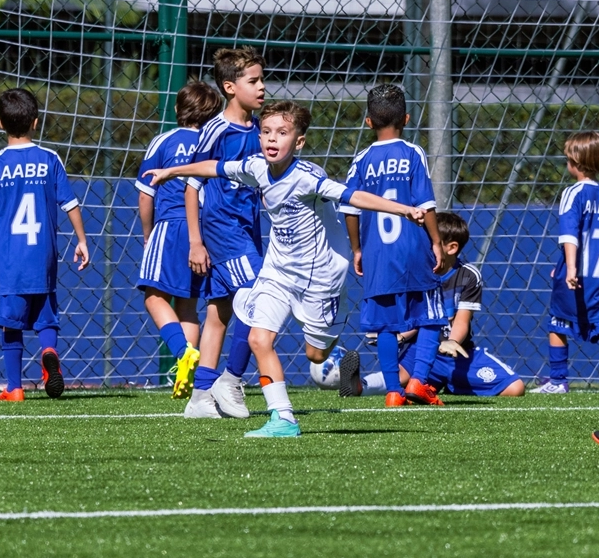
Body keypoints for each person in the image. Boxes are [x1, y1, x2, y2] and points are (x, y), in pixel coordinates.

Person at [145, 99, 427, 437]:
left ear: (300, 141)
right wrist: (171, 172)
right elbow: (214, 168)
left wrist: (405, 210)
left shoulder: (309, 178)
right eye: (265, 132)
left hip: (320, 278)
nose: (271, 139)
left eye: (281, 132)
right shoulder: (256, 167)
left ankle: (336, 357)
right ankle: (283, 418)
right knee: (258, 338)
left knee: (316, 355)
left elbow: (355, 197)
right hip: (278, 272)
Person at [0, 88, 90, 401]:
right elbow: (70, 203)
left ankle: (14, 387)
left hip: (10, 259)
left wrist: (2, 206)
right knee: (46, 314)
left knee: (11, 322)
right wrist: (81, 240)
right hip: (43, 255)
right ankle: (49, 350)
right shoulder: (49, 159)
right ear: (35, 122)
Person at [338, 84, 446, 408]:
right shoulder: (413, 153)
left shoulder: (360, 160)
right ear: (407, 119)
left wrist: (357, 249)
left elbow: (350, 209)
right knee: (430, 315)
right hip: (413, 248)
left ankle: (392, 392)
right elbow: (425, 203)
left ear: (368, 122)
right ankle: (418, 382)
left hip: (378, 253)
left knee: (385, 323)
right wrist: (437, 242)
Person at [340, 212, 525, 400]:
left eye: (427, 242)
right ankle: (360, 386)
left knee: (515, 388)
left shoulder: (468, 276)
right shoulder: (414, 273)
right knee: (400, 376)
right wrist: (400, 337)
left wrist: (452, 341)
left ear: (451, 248)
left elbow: (462, 320)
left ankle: (447, 384)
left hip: (457, 355)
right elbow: (417, 320)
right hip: (419, 350)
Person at [182, 47, 266, 419]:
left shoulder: (261, 127)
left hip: (249, 226)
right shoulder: (217, 129)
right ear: (230, 87)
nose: (262, 87)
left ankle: (199, 397)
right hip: (222, 226)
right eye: (254, 81)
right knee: (258, 297)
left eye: (262, 79)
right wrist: (195, 241)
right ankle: (230, 378)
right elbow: (191, 184)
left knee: (220, 311)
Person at [135, 81, 223, 397]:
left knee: (153, 296)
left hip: (171, 225)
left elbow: (146, 194)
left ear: (176, 109)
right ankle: (184, 373)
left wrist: (148, 234)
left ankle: (182, 353)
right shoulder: (216, 143)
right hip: (207, 231)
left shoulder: (164, 141)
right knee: (188, 305)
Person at [533, 131, 599, 394]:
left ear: (576, 161)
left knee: (557, 322)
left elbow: (569, 234)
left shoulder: (573, 193)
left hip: (580, 274)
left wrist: (571, 268)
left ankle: (558, 380)